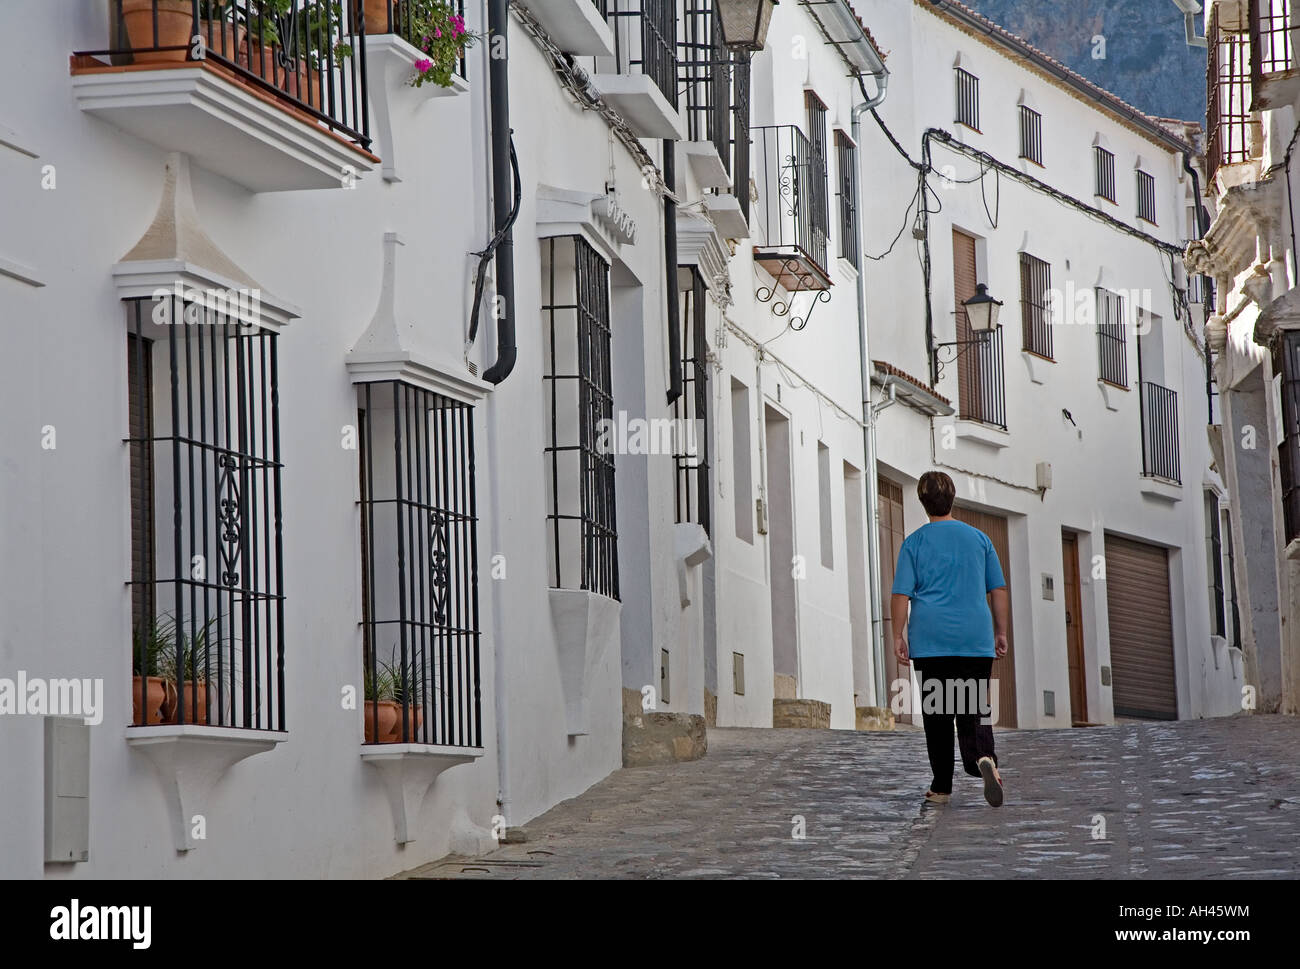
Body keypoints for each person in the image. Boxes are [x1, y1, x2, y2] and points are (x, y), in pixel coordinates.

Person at [890, 471, 1009, 807]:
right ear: (953, 499)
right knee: (975, 706)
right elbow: (997, 589)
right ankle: (983, 758)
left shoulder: (914, 543)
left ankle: (941, 786)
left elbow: (901, 593)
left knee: (938, 713)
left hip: (931, 639)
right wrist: (1000, 632)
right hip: (974, 637)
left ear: (923, 503)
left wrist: (897, 635)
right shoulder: (979, 540)